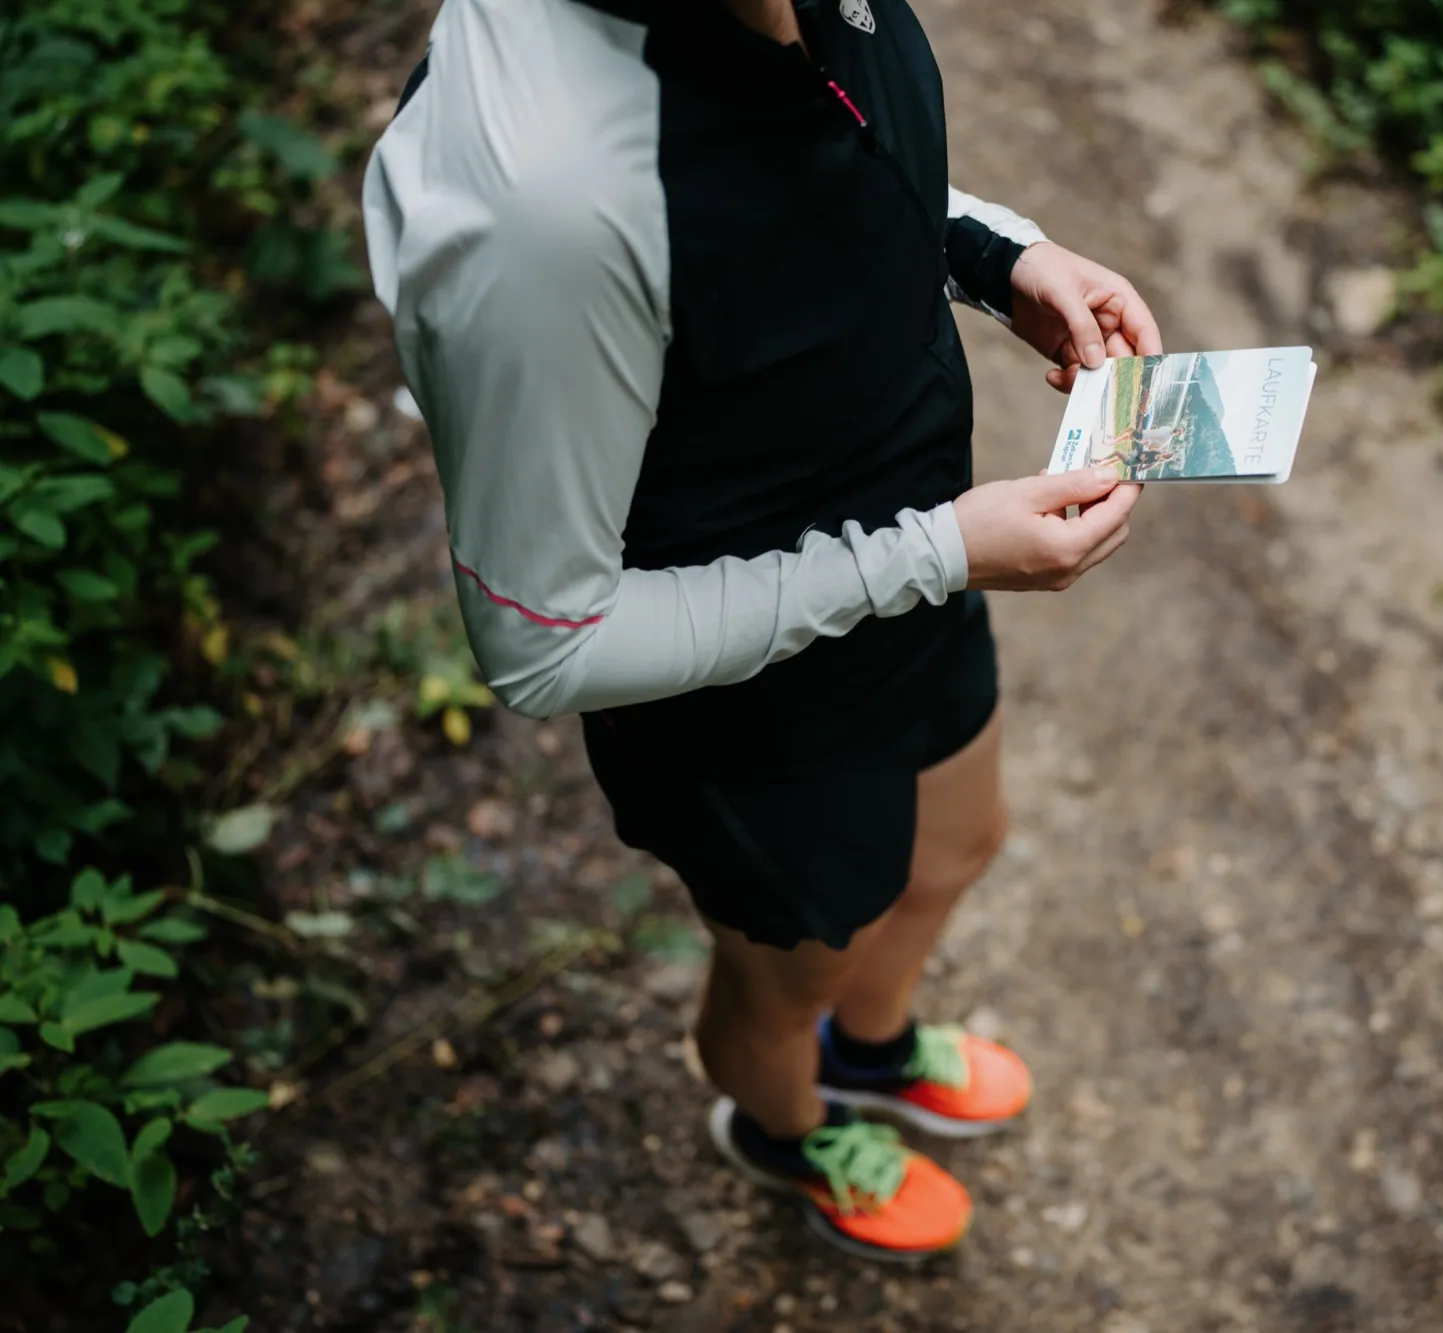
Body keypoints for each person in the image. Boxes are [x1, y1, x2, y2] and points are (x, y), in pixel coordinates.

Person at [361, 0, 1161, 1263]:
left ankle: (876, 1049)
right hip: (743, 702)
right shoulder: (545, 211)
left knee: (955, 845)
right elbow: (543, 644)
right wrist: (942, 549)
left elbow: (833, 147)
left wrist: (997, 255)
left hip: (920, 560)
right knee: (787, 973)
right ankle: (784, 1126)